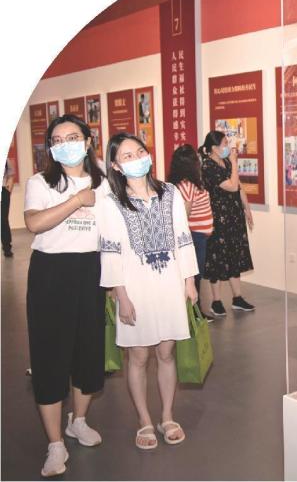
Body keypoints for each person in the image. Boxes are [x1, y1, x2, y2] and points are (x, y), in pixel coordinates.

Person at [98, 133, 198, 450]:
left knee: (166, 353)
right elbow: (110, 252)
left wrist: (189, 280)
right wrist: (121, 296)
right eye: (127, 156)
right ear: (115, 165)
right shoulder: (111, 203)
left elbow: (183, 237)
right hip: (134, 288)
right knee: (139, 357)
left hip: (170, 283)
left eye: (140, 151)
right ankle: (144, 419)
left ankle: (167, 416)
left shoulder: (170, 193)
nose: (137, 159)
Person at [23, 114, 106, 477]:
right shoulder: (40, 182)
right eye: (57, 140)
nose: (65, 144)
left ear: (87, 142)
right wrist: (76, 201)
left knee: (88, 352)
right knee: (50, 357)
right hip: (51, 274)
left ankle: (79, 420)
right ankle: (55, 444)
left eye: (73, 137)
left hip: (91, 271)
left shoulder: (105, 183)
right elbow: (34, 223)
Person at [199, 131, 255, 317]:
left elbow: (239, 187)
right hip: (218, 218)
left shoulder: (227, 162)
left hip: (234, 216)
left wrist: (247, 209)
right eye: (224, 143)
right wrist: (235, 163)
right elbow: (231, 186)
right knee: (218, 257)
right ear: (214, 148)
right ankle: (216, 301)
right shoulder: (208, 166)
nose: (228, 146)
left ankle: (237, 298)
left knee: (234, 254)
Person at [168, 144, 214, 322]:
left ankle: (194, 312)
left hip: (199, 236)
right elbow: (184, 215)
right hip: (194, 237)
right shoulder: (186, 185)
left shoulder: (188, 184)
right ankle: (194, 313)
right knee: (194, 276)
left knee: (196, 275)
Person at [2, 159, 15, 257]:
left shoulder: (6, 160)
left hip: (3, 192)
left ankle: (7, 247)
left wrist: (8, 191)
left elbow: (11, 175)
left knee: (3, 220)